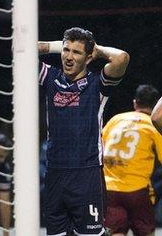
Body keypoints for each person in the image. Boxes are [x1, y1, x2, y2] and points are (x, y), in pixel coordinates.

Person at [38, 27, 130, 235]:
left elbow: (122, 58)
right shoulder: (50, 79)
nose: (69, 57)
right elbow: (20, 50)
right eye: (66, 51)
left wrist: (97, 50)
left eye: (76, 52)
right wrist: (56, 46)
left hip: (86, 174)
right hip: (55, 173)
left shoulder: (97, 84)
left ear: (88, 58)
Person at [102, 85, 162, 236]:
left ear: (135, 103)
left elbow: (98, 148)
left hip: (109, 189)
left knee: (115, 231)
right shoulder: (153, 125)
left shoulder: (115, 120)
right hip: (138, 190)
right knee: (145, 231)